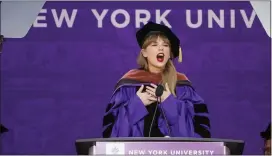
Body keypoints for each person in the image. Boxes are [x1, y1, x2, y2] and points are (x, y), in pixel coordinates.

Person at [102, 21, 211, 138]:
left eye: (165, 45)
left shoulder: (183, 87)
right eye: (154, 45)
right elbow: (111, 135)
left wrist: (169, 102)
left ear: (169, 53)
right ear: (144, 53)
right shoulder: (127, 86)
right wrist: (137, 104)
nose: (161, 49)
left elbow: (200, 136)